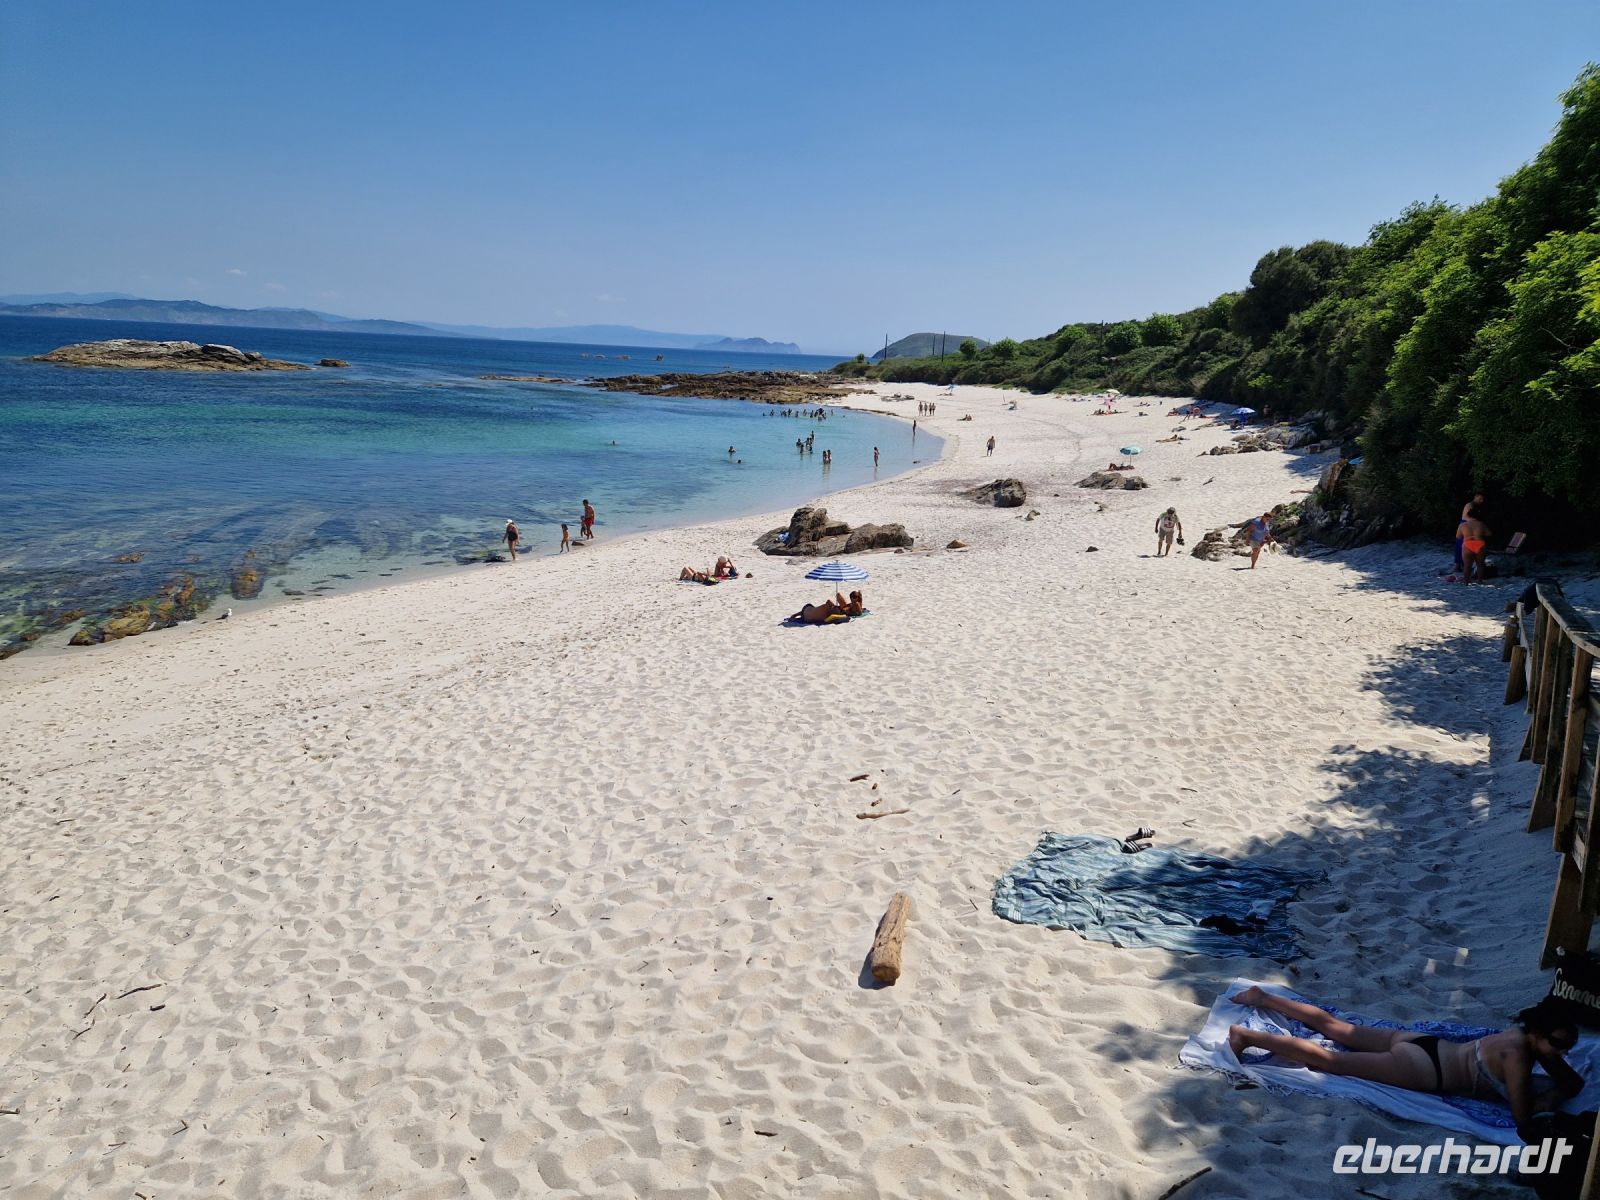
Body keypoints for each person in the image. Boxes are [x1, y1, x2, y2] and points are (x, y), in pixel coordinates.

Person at [1228, 987, 1583, 1138]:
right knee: (1332, 1062)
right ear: (1538, 1033)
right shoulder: (1517, 1057)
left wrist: (1554, 1062)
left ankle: (1264, 998)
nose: (1562, 1053)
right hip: (1424, 1070)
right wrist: (1551, 1097)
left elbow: (1571, 1081)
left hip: (1422, 1044)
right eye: (1557, 1044)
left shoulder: (1520, 1036)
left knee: (1337, 1028)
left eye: (1567, 1047)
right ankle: (1248, 1037)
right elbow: (1523, 1117)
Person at [790, 590, 864, 624]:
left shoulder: (856, 604)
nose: (851, 600)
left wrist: (848, 612)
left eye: (852, 598)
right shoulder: (855, 603)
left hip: (840, 612)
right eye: (851, 598)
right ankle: (797, 614)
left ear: (856, 598)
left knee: (828, 604)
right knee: (829, 602)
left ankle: (797, 614)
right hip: (840, 611)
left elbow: (859, 613)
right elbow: (850, 608)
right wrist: (847, 608)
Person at [1458, 511, 1492, 584]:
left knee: (1467, 566)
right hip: (1479, 544)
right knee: (1480, 564)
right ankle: (1480, 581)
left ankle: (1467, 581)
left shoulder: (1462, 525)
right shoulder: (1481, 524)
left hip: (1468, 544)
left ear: (1468, 516)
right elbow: (1489, 534)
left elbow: (1458, 536)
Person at [1455, 492, 1487, 571]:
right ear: (1475, 497)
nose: (1481, 501)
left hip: (1469, 524)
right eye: (1480, 498)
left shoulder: (1476, 506)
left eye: (1482, 499)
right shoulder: (1470, 505)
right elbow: (1467, 516)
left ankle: (1462, 565)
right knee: (1461, 545)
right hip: (1466, 524)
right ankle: (1459, 565)